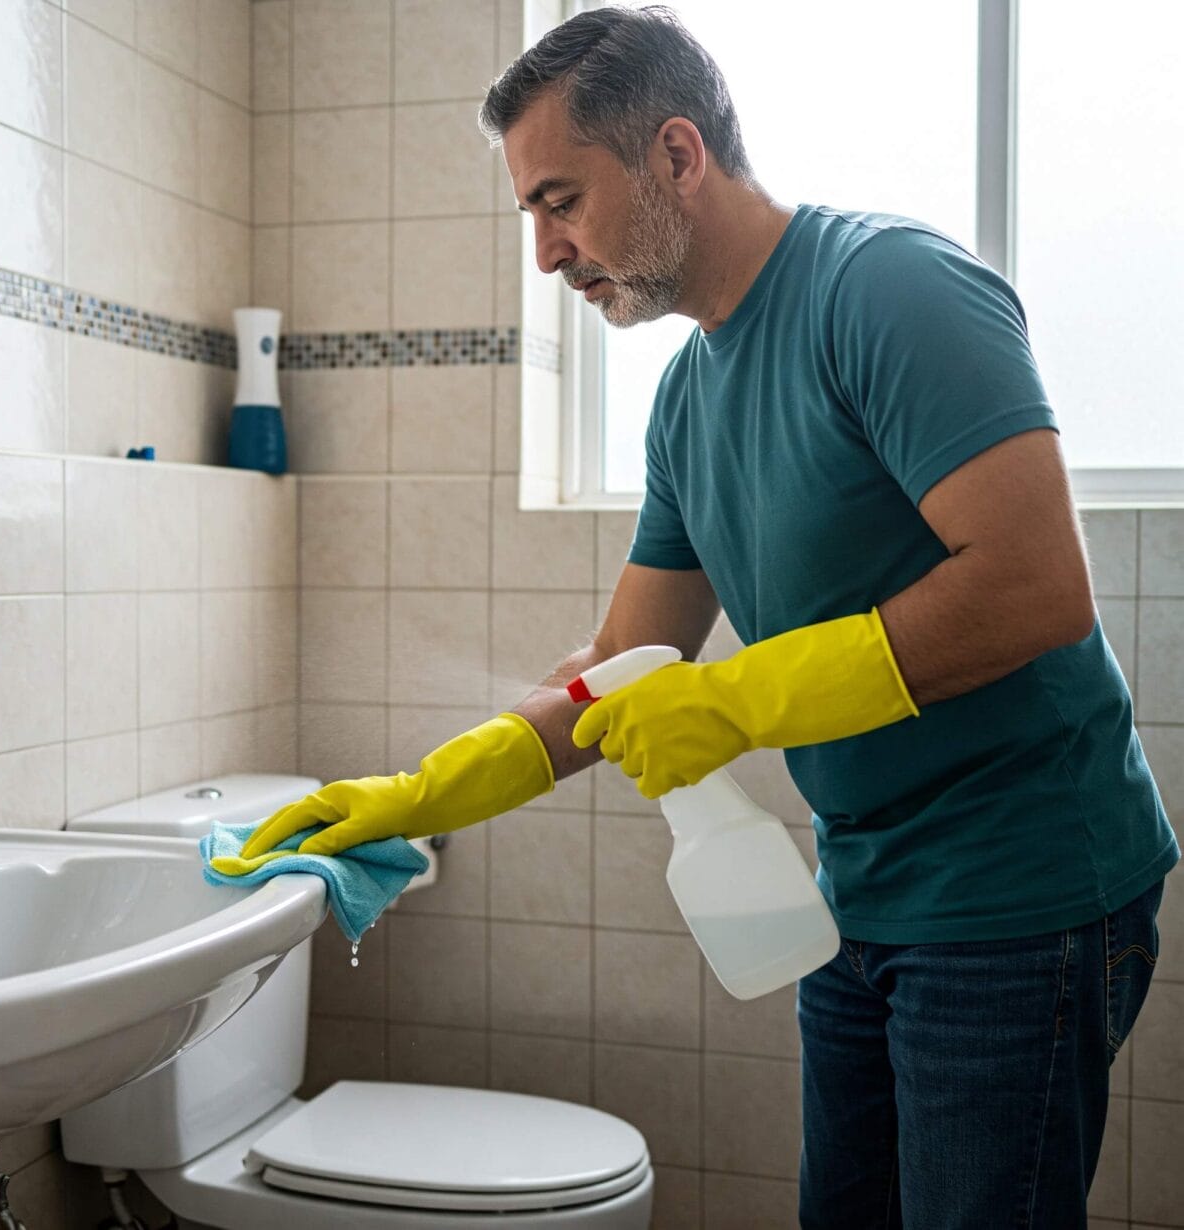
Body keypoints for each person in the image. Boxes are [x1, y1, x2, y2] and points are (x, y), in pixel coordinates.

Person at [225, 7, 1179, 1227]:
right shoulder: (687, 397)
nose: (547, 255)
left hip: (1021, 893)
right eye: (532, 214)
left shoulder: (887, 287)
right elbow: (626, 666)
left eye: (561, 201)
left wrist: (732, 702)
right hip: (864, 893)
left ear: (677, 154)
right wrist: (415, 796)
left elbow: (1036, 587)